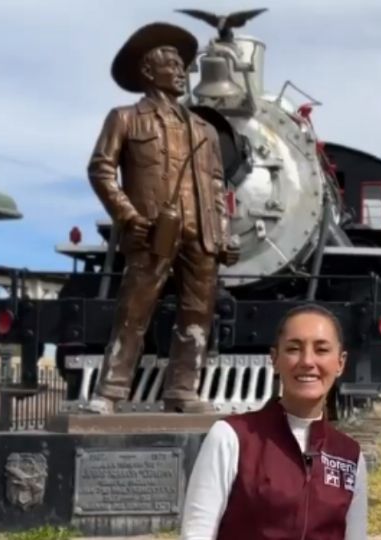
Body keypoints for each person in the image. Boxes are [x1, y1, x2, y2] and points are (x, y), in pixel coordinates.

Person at [84, 21, 238, 414]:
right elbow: (101, 170)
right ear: (149, 72)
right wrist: (127, 215)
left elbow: (217, 186)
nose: (182, 71)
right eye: (172, 64)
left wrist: (222, 235)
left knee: (197, 314)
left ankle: (183, 391)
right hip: (152, 231)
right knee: (134, 311)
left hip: (199, 234)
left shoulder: (203, 128)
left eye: (182, 65)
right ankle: (110, 393)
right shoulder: (125, 118)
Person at [180, 304, 367, 540]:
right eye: (293, 348)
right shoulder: (231, 437)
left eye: (321, 350)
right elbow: (196, 533)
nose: (307, 361)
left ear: (340, 363)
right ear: (275, 359)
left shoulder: (350, 456)